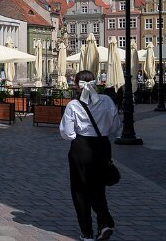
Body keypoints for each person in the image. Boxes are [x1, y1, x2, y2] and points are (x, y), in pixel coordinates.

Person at [60, 70, 120, 241]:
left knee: (80, 189)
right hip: (102, 146)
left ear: (78, 86)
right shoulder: (107, 101)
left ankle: (87, 232)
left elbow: (67, 133)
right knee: (98, 187)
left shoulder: (74, 105)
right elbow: (115, 126)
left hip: (81, 148)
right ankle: (104, 223)